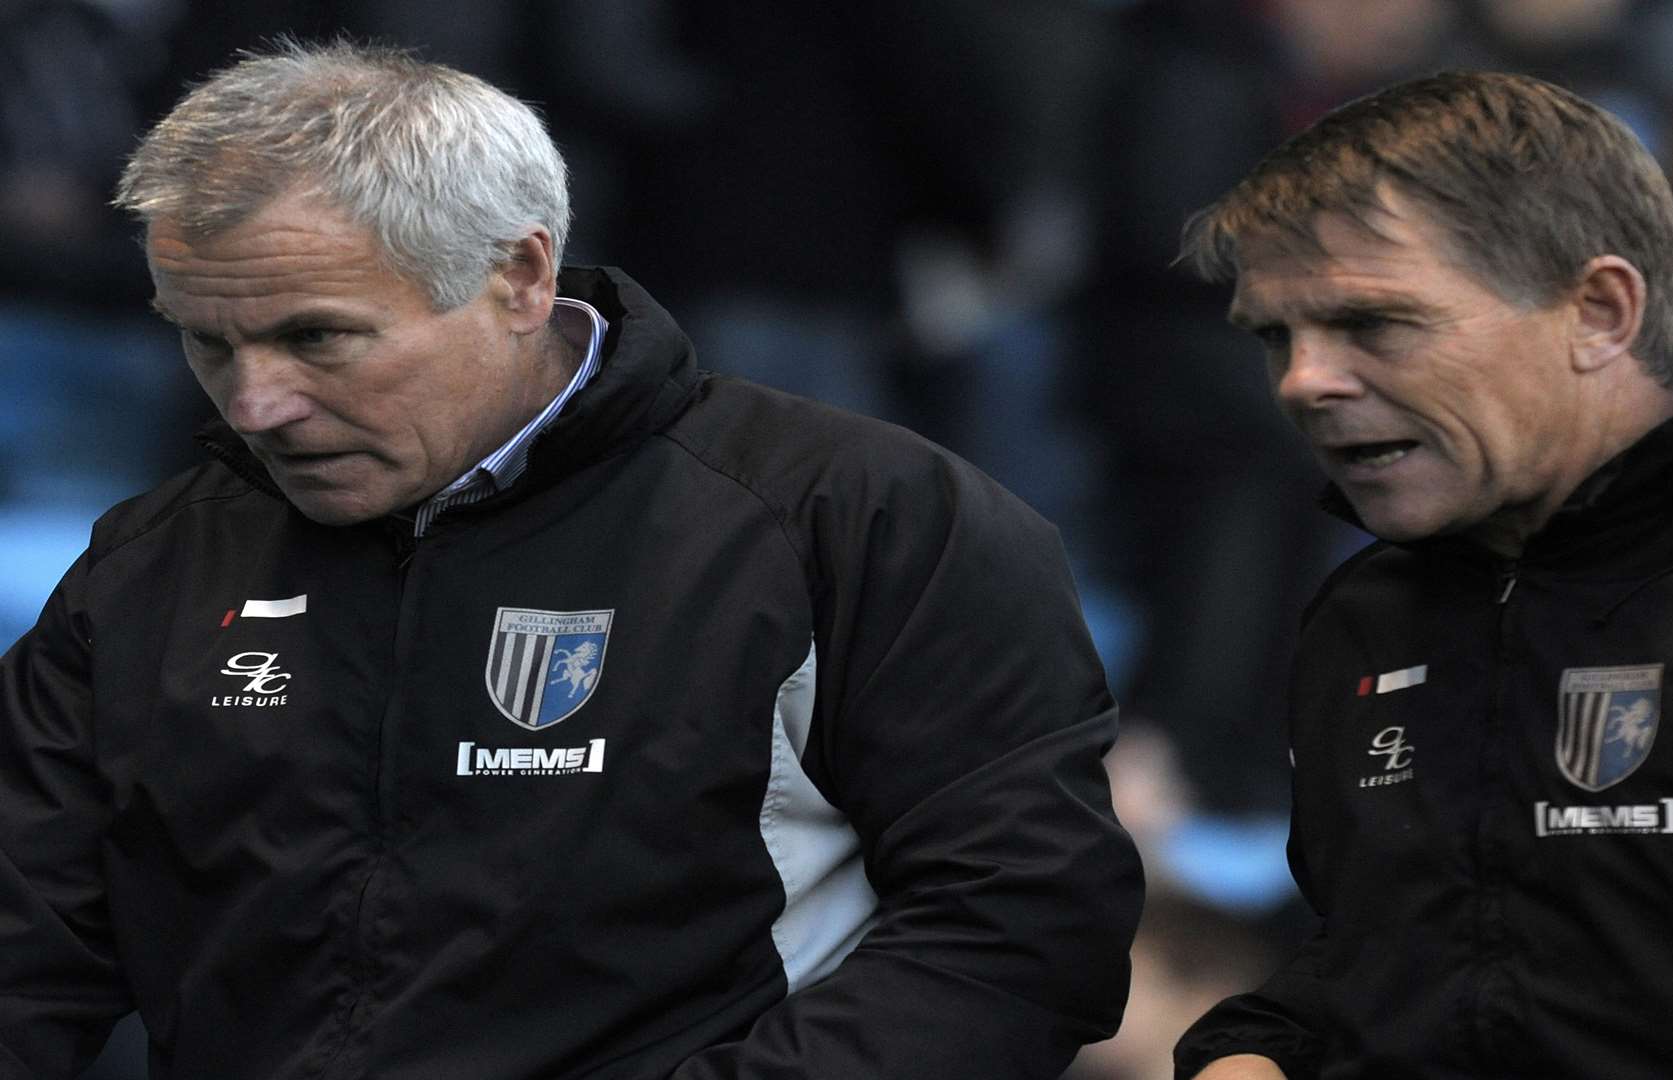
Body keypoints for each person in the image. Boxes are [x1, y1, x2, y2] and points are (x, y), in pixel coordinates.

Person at [0, 41, 1143, 1080]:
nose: (256, 403)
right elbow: (26, 944)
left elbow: (1018, 932)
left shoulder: (860, 522)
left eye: (317, 337)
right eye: (208, 341)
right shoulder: (150, 566)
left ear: (520, 277)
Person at [1171, 71, 1673, 1079]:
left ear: (1602, 311)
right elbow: (1391, 972)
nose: (1304, 382)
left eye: (1374, 324)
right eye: (1276, 338)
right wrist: (1255, 1056)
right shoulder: (1365, 617)